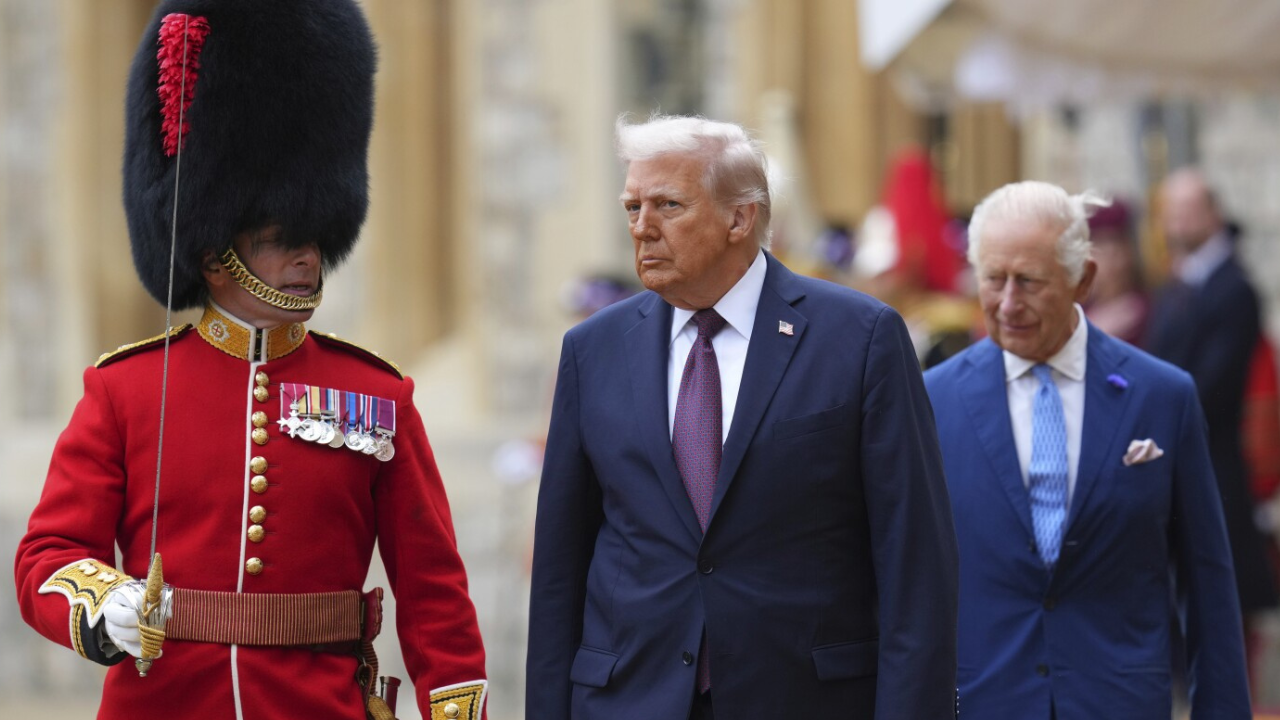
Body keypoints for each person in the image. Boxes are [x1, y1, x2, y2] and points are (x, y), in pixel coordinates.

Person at [13, 2, 487, 718]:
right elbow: (48, 552)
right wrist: (105, 603)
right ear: (212, 253)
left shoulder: (377, 396)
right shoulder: (125, 391)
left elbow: (434, 594)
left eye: (313, 239)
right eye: (277, 239)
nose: (306, 259)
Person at [526, 115, 958, 720]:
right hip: (630, 699)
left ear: (740, 217)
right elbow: (558, 574)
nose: (642, 229)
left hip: (804, 698)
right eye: (632, 208)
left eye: (668, 205)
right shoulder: (592, 350)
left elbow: (916, 564)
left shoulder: (859, 339)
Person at [924, 181, 1251, 719]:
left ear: (1083, 279)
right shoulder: (932, 401)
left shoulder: (1162, 396)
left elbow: (1207, 583)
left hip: (1120, 702)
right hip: (984, 703)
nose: (1008, 304)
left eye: (1028, 282)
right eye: (993, 280)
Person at [1147, 169, 1279, 617]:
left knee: (1220, 592)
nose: (1178, 225)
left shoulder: (1232, 288)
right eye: (1172, 214)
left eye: (1188, 213)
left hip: (1215, 456)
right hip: (1178, 448)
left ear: (1212, 214)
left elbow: (1211, 385)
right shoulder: (1178, 283)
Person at [1082, 199, 1148, 346]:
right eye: (1099, 245)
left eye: (1115, 244)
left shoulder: (1150, 311)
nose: (1110, 258)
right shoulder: (1077, 312)